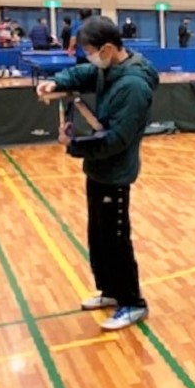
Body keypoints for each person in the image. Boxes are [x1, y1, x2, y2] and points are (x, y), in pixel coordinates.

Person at [36, 16, 160, 331]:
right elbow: (83, 72)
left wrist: (74, 146)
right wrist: (57, 82)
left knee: (116, 240)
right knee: (99, 236)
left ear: (107, 49)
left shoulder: (133, 86)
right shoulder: (110, 69)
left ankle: (133, 302)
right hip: (98, 168)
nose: (89, 58)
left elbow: (117, 140)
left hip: (115, 172)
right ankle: (110, 291)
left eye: (90, 52)